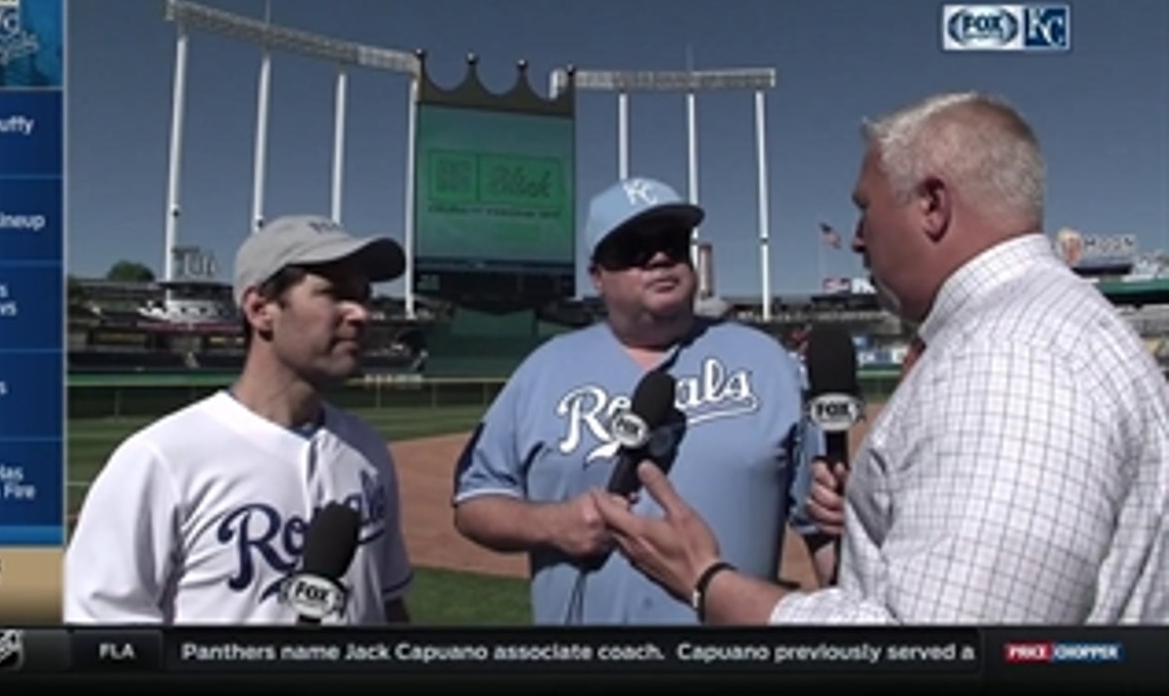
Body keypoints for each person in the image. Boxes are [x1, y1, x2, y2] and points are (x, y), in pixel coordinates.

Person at [592, 91, 1169, 624]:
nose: (860, 238)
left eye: (865, 209)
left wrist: (705, 581)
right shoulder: (1048, 323)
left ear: (932, 205)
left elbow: (943, 658)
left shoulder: (1010, 359)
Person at [450, 176, 840, 625]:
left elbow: (824, 529)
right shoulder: (544, 369)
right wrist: (554, 524)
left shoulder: (769, 363)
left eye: (672, 242)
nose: (659, 257)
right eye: (633, 248)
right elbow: (475, 501)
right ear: (598, 276)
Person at [65, 215, 415, 625]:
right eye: (334, 293)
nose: (360, 313)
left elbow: (388, 605)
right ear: (260, 309)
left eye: (364, 296)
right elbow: (99, 636)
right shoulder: (161, 460)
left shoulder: (368, 451)